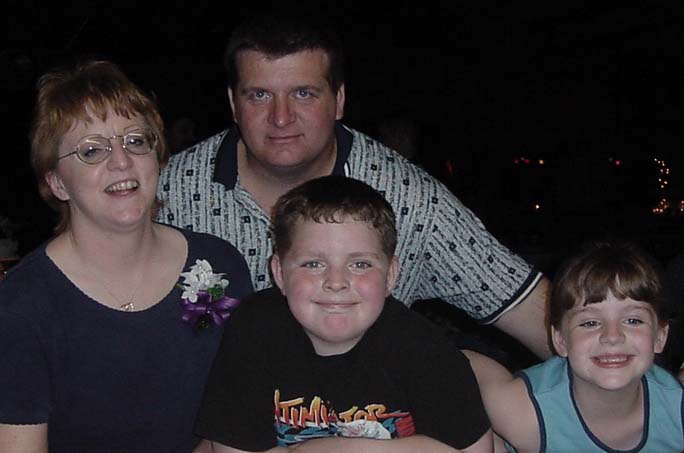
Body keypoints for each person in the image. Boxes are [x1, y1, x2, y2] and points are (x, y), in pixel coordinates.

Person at [157, 9, 552, 359]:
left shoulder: (408, 198)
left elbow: (526, 304)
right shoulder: (168, 193)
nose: (281, 117)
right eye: (259, 95)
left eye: (303, 94)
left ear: (339, 99)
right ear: (233, 104)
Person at [0, 60, 252, 452]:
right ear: (57, 183)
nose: (121, 161)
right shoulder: (22, 306)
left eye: (135, 141)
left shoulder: (219, 266)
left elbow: (242, 414)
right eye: (91, 150)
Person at [194, 175, 493, 452]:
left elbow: (475, 450)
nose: (336, 282)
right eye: (313, 264)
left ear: (390, 276)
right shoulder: (254, 329)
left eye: (360, 264)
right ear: (280, 273)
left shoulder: (423, 346)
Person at [464, 242, 682, 452]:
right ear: (560, 340)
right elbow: (463, 362)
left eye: (633, 320)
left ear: (660, 337)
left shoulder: (677, 409)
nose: (612, 336)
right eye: (590, 323)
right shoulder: (524, 414)